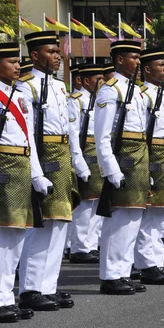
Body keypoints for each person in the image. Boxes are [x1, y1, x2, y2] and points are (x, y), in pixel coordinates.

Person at [18, 31, 76, 310]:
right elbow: (28, 132)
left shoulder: (59, 86)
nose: (58, 56)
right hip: (42, 154)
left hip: (62, 154)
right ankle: (31, 287)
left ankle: (48, 285)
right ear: (35, 56)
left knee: (59, 222)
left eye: (57, 51)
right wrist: (35, 171)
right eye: (52, 52)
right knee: (40, 224)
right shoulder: (26, 87)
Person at [94, 40, 149, 295]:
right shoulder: (110, 90)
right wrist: (111, 169)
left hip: (138, 157)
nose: (138, 62)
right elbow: (103, 136)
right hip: (122, 159)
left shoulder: (135, 90)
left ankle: (123, 273)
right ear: (119, 59)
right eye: (133, 57)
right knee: (119, 219)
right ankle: (110, 275)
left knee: (133, 217)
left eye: (138, 57)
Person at [0, 42, 49, 321]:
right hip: (4, 165)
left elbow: (29, 138)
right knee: (4, 236)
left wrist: (37, 174)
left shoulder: (18, 95)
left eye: (18, 61)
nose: (17, 66)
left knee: (17, 235)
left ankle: (6, 297)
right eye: (10, 61)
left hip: (21, 165)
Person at [136, 48, 164, 285]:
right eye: (161, 65)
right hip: (152, 154)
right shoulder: (143, 95)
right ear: (146, 69)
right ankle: (146, 264)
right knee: (150, 213)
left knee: (161, 214)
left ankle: (156, 262)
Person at [68, 63, 105, 264]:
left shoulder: (99, 99)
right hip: (85, 150)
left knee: (97, 200)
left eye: (102, 78)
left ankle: (91, 244)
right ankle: (80, 247)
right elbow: (73, 134)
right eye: (96, 79)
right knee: (85, 203)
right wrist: (78, 162)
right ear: (84, 81)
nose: (101, 82)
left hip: (98, 151)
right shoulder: (77, 101)